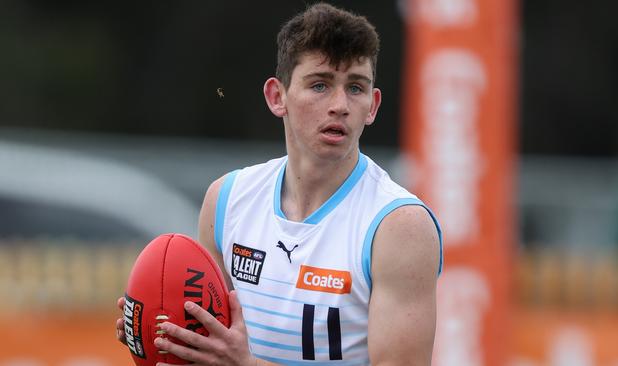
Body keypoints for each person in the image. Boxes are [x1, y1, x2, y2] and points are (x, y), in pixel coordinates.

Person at [117, 3, 442, 365]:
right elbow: (211, 344)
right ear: (277, 97)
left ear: (373, 105)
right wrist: (159, 330)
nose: (340, 105)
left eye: (355, 87)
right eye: (320, 85)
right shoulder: (227, 199)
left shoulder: (399, 226)